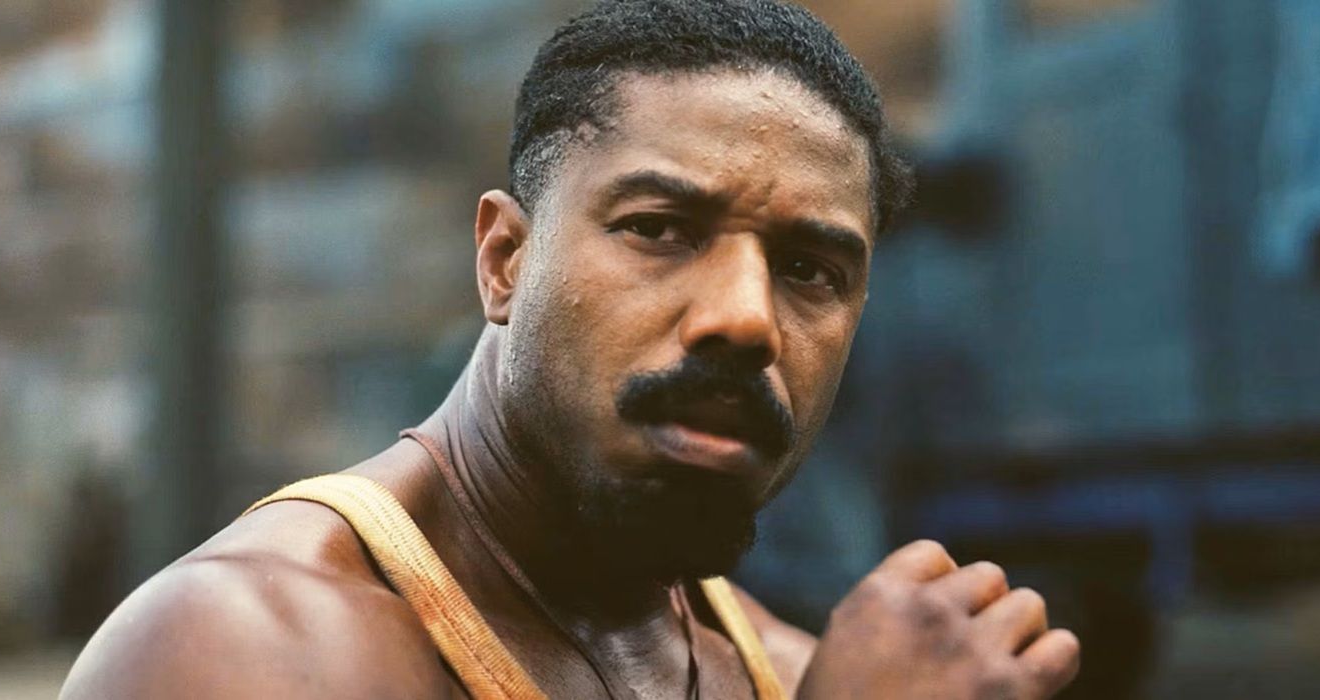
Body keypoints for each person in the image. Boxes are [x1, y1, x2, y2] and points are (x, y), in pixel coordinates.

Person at [62, 1, 1080, 697]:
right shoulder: (247, 646)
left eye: (810, 269)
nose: (746, 319)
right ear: (503, 260)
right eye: (659, 228)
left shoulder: (781, 665)